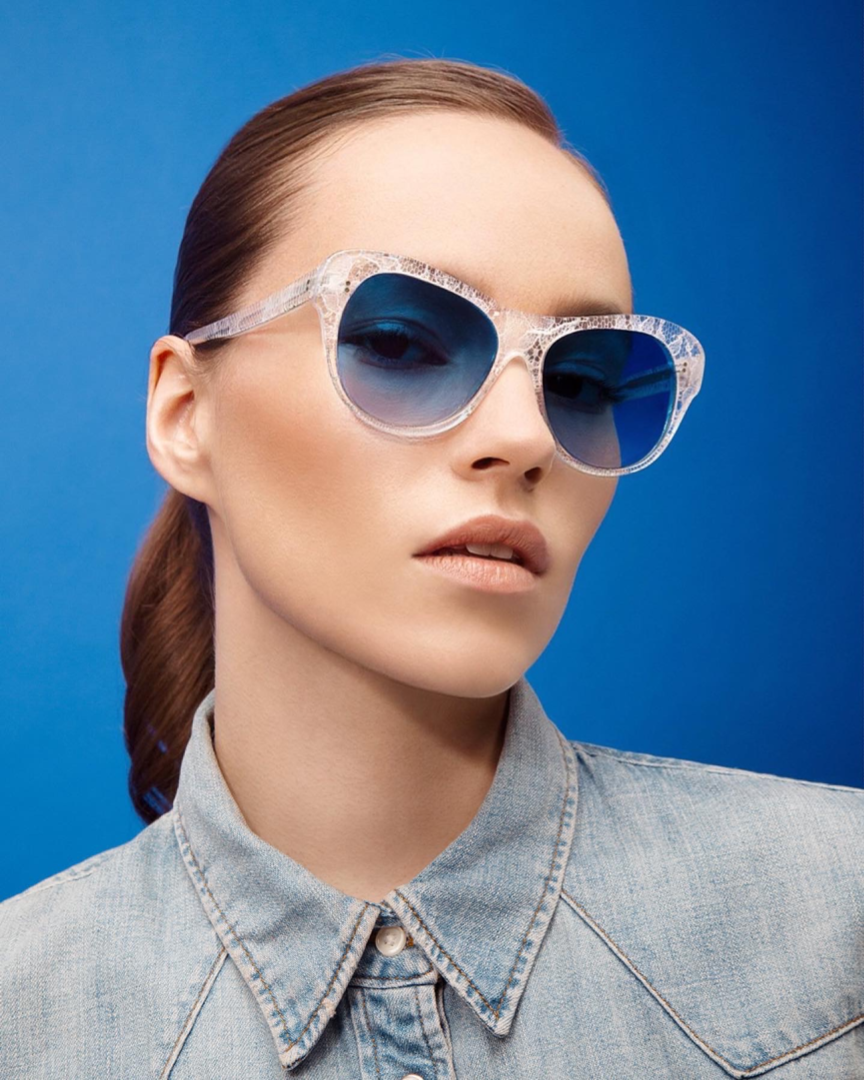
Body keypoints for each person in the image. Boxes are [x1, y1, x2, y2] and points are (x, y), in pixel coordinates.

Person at [1, 57, 861, 1079]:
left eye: (583, 380)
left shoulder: (838, 912)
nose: (525, 436)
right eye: (402, 342)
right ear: (187, 416)